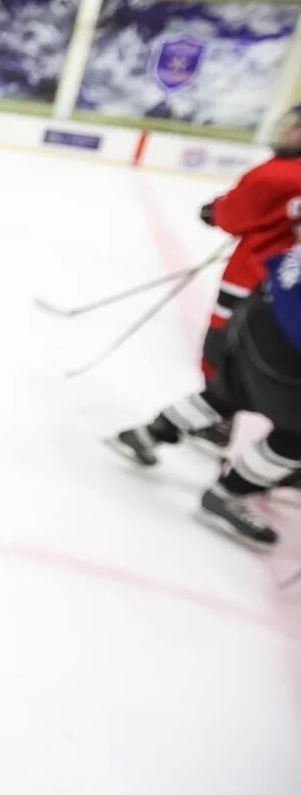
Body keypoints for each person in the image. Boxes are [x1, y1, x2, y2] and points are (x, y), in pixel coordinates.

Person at [108, 242, 301, 550]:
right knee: (295, 436)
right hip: (284, 347)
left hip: (258, 311)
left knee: (232, 393)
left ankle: (147, 434)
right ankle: (226, 496)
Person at [192, 103, 301, 452]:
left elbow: (235, 214)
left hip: (249, 275)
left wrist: (214, 212)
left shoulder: (276, 174)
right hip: (285, 284)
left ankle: (215, 418)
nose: (289, 131)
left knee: (221, 344)